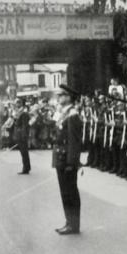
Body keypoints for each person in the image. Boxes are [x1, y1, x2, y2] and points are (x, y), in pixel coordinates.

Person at [53, 84, 83, 235]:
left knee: (70, 191)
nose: (59, 97)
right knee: (65, 192)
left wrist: (72, 162)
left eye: (62, 95)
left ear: (69, 97)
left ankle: (74, 224)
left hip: (67, 159)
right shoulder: (63, 113)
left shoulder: (72, 115)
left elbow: (74, 141)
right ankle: (69, 221)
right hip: (60, 157)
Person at [13, 97, 31, 174]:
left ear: (21, 104)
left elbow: (24, 126)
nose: (16, 104)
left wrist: (23, 136)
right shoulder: (19, 112)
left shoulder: (23, 113)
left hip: (21, 135)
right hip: (19, 135)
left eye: (18, 102)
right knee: (23, 152)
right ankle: (27, 167)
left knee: (24, 152)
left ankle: (26, 168)